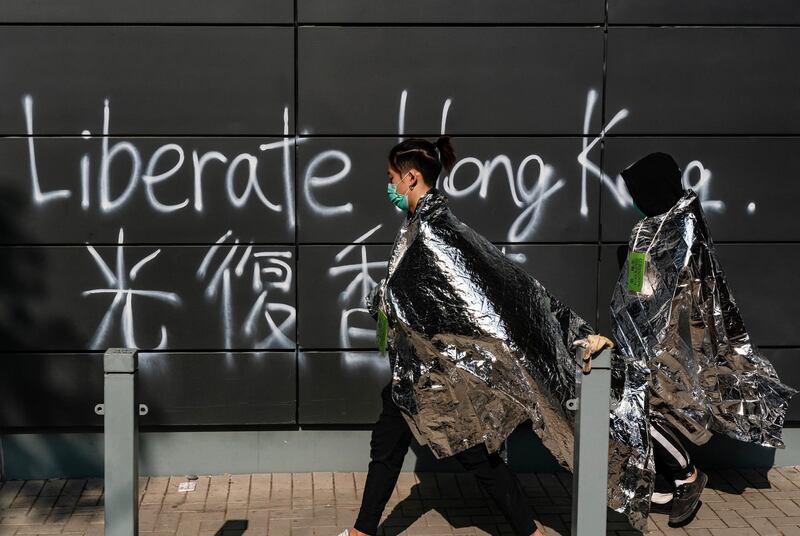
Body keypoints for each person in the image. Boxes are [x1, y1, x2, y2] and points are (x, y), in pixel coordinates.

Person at [337, 136, 614, 536]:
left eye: (391, 178)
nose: (389, 187)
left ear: (411, 177)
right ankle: (365, 530)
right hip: (416, 369)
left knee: (474, 455)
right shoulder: (419, 225)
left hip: (436, 373)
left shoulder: (435, 230)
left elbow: (473, 293)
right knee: (390, 444)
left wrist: (384, 299)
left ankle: (529, 531)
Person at [610, 152, 796, 526]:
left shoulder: (655, 232)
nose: (633, 199)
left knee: (635, 410)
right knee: (645, 411)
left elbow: (638, 292)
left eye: (637, 190)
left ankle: (685, 477)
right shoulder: (688, 223)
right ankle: (666, 481)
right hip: (671, 344)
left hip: (660, 347)